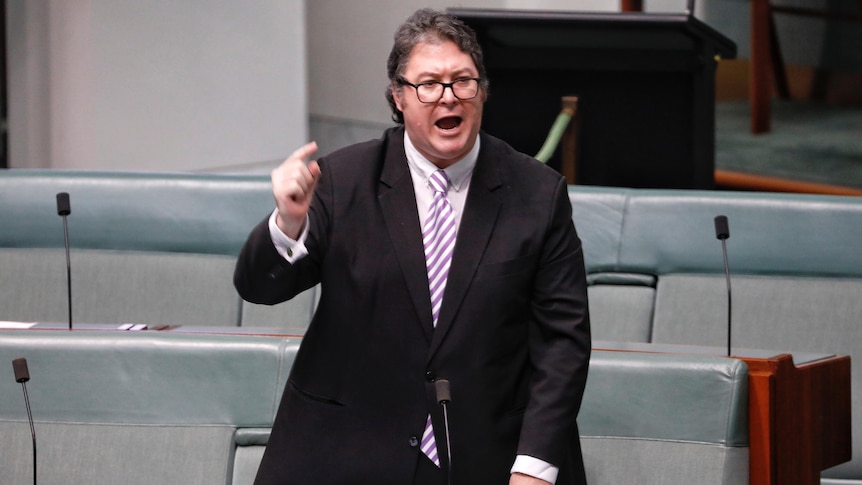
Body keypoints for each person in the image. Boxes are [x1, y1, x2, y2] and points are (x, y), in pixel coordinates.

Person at [234, 8, 591, 485]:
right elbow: (261, 288)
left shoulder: (538, 193)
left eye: (462, 81)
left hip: (488, 453)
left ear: (482, 91)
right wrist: (289, 220)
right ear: (398, 97)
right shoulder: (343, 181)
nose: (448, 97)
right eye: (429, 84)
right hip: (346, 445)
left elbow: (563, 344)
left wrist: (534, 467)